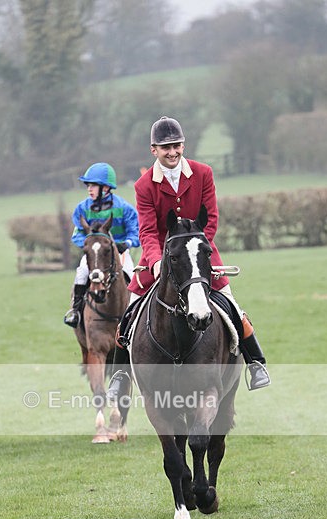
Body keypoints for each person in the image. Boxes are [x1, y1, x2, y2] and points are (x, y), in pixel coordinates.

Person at [107, 116, 270, 400]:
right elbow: (147, 230)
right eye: (165, 147)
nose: (172, 152)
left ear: (184, 145)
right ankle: (120, 376)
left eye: (177, 145)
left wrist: (197, 250)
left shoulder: (203, 173)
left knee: (232, 307)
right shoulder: (144, 186)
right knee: (129, 316)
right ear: (153, 150)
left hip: (199, 256)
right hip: (159, 260)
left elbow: (211, 220)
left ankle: (256, 363)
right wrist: (158, 260)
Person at [63, 162, 140, 327]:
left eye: (93, 185)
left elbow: (135, 233)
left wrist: (126, 243)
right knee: (82, 273)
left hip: (119, 252)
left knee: (132, 277)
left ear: (105, 187)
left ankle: (136, 315)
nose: (89, 189)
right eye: (88, 185)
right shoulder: (83, 208)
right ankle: (75, 311)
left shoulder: (123, 207)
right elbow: (76, 235)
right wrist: (89, 246)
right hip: (94, 254)